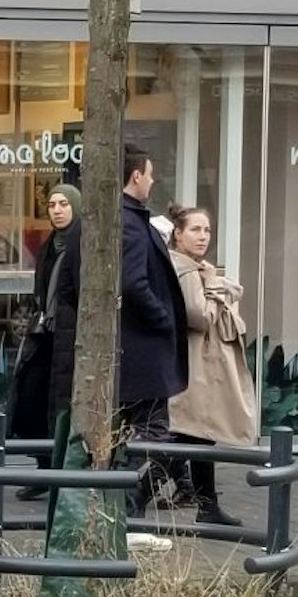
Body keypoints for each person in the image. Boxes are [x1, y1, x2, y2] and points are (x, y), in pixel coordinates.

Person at [164, 204, 258, 526]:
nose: (203, 236)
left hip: (198, 362)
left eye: (206, 230)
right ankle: (136, 494)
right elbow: (199, 316)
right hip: (195, 362)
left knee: (199, 435)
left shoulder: (196, 268)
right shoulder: (187, 271)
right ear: (178, 234)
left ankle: (208, 506)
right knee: (189, 434)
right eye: (195, 230)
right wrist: (217, 289)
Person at [116, 148, 189, 516]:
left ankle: (129, 503)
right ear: (136, 177)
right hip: (141, 354)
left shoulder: (129, 219)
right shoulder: (129, 222)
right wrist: (163, 318)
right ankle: (129, 504)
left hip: (136, 354)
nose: (154, 180)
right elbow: (133, 283)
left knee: (143, 432)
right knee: (155, 433)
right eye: (151, 173)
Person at [7, 186, 81, 492]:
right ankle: (43, 468)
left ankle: (58, 473)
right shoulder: (50, 245)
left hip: (69, 336)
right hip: (45, 334)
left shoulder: (80, 244)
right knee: (30, 398)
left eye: (64, 204)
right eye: (52, 204)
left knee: (59, 404)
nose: (57, 210)